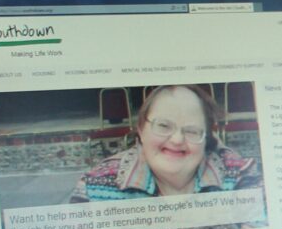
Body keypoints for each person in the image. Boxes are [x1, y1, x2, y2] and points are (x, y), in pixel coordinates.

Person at [71, 84, 260, 202]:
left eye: (192, 130)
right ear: (140, 129)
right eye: (163, 126)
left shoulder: (240, 177)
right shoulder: (95, 186)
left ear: (207, 138)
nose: (177, 140)